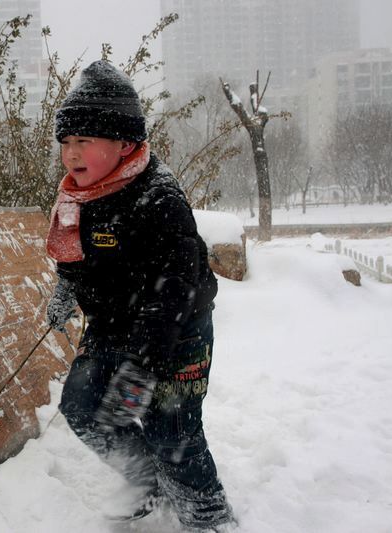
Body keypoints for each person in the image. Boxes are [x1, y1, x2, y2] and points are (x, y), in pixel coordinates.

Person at [45, 60, 235, 531]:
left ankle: (206, 516)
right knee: (82, 405)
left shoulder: (159, 200)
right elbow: (76, 257)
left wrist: (142, 365)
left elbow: (174, 294)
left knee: (172, 429)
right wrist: (67, 285)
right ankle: (144, 476)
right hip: (113, 323)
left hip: (177, 332)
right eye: (66, 142)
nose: (71, 154)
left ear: (125, 143)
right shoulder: (80, 197)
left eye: (84, 141)